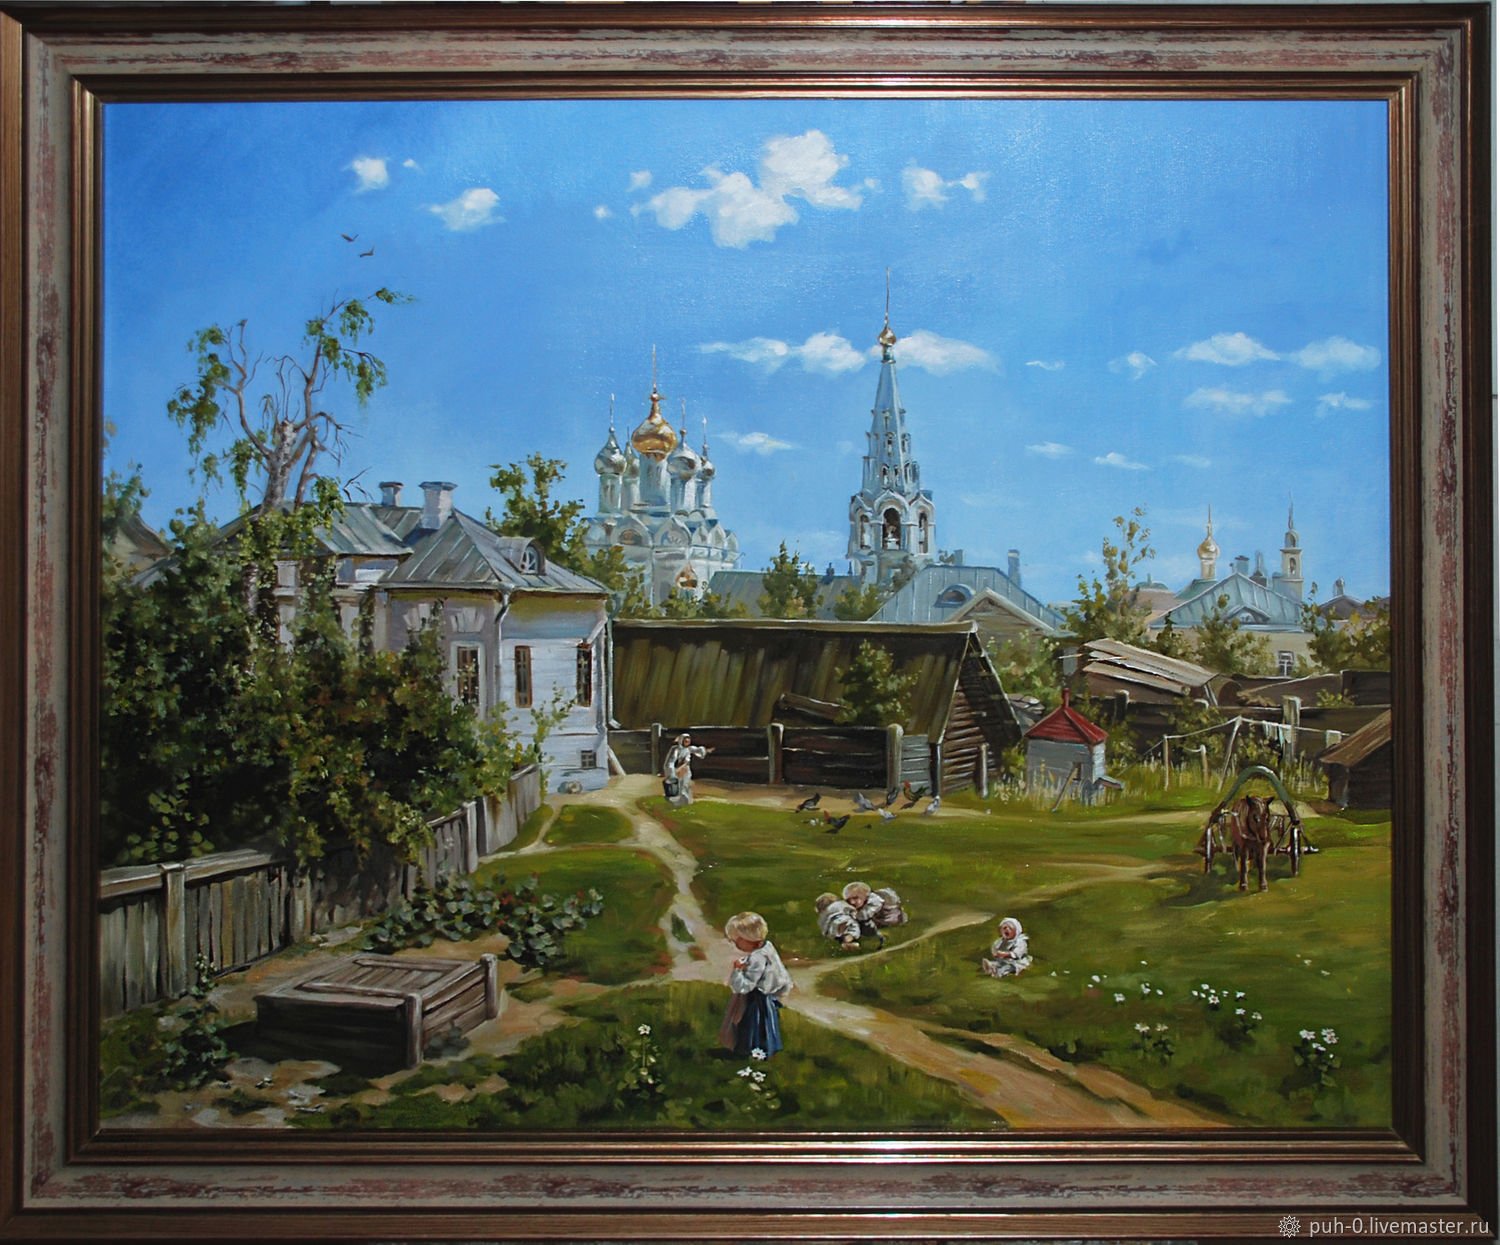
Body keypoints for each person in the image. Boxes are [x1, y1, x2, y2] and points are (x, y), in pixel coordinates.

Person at [718, 911, 793, 1058]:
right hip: (767, 997)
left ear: (749, 939)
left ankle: (751, 1051)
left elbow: (744, 986)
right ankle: (767, 1049)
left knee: (753, 1025)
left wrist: (737, 971)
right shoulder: (767, 948)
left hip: (757, 999)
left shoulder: (757, 958)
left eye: (738, 940)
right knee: (766, 1025)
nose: (735, 944)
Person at [842, 881, 908, 945]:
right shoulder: (860, 904)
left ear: (866, 895)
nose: (852, 902)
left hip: (891, 918)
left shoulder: (875, 899)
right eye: (848, 900)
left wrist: (857, 916)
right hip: (878, 920)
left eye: (855, 898)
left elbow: (870, 910)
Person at [661, 732, 709, 805]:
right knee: (678, 786)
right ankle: (677, 801)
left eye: (688, 741)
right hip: (678, 770)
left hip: (686, 769)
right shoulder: (675, 749)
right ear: (681, 741)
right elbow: (670, 761)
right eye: (685, 741)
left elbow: (698, 750)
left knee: (685, 784)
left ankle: (686, 800)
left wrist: (704, 750)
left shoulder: (689, 749)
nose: (687, 743)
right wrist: (672, 773)